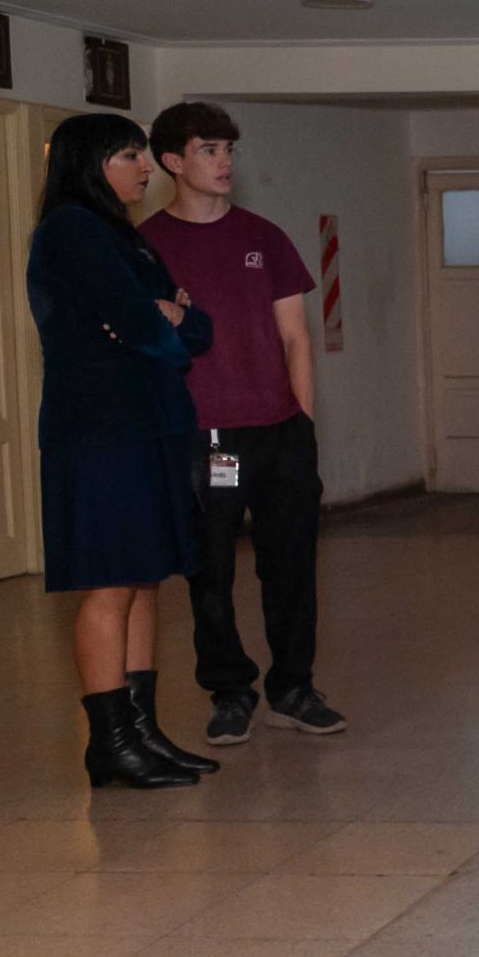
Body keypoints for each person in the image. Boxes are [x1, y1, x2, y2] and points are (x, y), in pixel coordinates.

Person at [138, 102, 346, 745]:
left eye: (229, 149)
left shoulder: (265, 237)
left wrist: (302, 423)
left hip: (280, 433)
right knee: (211, 571)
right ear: (173, 161)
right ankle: (230, 691)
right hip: (205, 439)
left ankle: (293, 688)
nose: (224, 161)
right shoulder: (148, 245)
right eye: (209, 150)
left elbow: (296, 338)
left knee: (291, 566)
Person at [26, 114, 218, 789]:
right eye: (130, 155)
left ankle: (142, 732)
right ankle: (109, 744)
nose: (145, 167)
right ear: (91, 163)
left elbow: (196, 329)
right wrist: (160, 315)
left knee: (144, 577)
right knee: (111, 582)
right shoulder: (71, 229)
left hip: (148, 424)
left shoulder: (124, 235)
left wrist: (170, 315)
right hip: (101, 432)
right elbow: (144, 324)